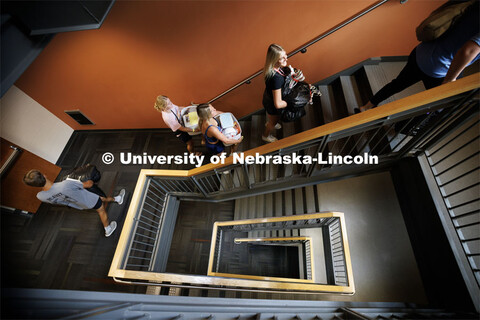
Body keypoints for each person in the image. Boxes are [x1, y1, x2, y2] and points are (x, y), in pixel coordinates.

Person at [357, 2, 480, 113]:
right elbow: (468, 51)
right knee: (442, 106)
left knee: (397, 84)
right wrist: (449, 80)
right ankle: (404, 127)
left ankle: (366, 106)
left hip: (422, 51)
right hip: (439, 66)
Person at [23, 170, 125, 237]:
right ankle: (108, 229)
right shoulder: (65, 184)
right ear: (44, 175)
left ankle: (116, 199)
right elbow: (88, 184)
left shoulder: (40, 196)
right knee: (101, 210)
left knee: (102, 198)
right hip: (90, 199)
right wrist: (89, 178)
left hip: (78, 204)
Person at [261, 44, 288, 143]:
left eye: (286, 55)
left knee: (272, 118)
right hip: (272, 104)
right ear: (275, 60)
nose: (286, 59)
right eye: (282, 58)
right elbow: (278, 104)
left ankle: (271, 121)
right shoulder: (276, 78)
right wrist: (290, 102)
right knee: (273, 122)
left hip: (268, 98)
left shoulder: (271, 67)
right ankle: (265, 135)